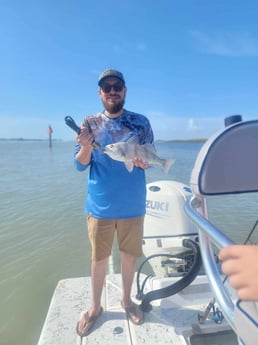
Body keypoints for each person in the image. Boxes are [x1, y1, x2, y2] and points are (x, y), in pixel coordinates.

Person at [74, 69, 154, 337]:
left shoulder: (141, 122)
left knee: (129, 257)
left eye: (117, 85)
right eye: (106, 87)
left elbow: (148, 156)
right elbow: (79, 164)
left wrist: (145, 162)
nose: (112, 90)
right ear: (100, 92)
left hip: (133, 205)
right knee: (98, 259)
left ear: (125, 90)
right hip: (100, 207)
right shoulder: (89, 123)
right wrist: (85, 147)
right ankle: (96, 307)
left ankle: (127, 301)